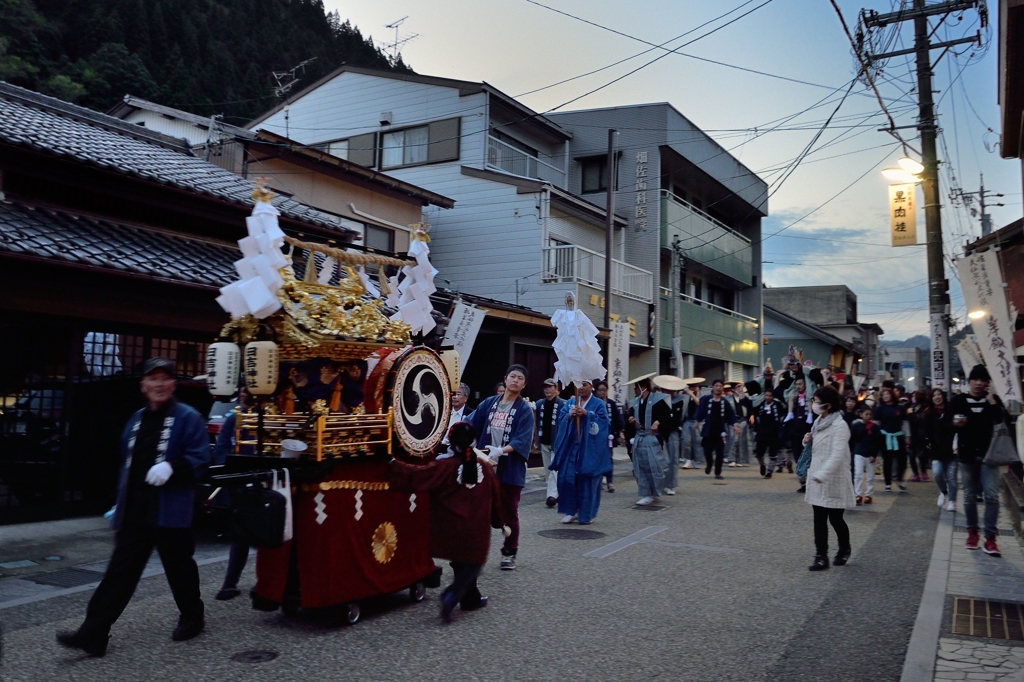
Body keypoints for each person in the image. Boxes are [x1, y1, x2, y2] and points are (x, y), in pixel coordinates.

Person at [57, 357, 210, 657]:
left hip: (170, 510)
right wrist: (121, 501)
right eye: (152, 379)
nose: (159, 384)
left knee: (180, 569)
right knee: (119, 573)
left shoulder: (188, 417)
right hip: (137, 511)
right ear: (143, 385)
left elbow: (200, 458)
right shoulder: (136, 419)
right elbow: (127, 465)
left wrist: (172, 466)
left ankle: (193, 617)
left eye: (165, 378)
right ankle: (94, 633)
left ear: (174, 384)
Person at [388, 422, 504, 622]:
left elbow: (416, 476)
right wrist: (500, 522)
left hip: (450, 528)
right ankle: (452, 594)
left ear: (451, 442)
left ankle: (470, 599)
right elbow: (497, 498)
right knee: (472, 564)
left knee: (461, 561)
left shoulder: (444, 466)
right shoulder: (484, 468)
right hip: (476, 530)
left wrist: (391, 463)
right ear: (474, 442)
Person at [465, 365, 535, 571]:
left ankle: (509, 552)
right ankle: (475, 554)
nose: (515, 380)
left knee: (508, 512)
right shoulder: (489, 403)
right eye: (512, 376)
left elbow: (523, 439)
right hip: (485, 467)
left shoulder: (524, 410)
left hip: (509, 468)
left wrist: (501, 450)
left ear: (524, 384)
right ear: (505, 379)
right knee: (479, 512)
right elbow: (470, 423)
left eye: (520, 378)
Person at [949, 365, 1006, 556]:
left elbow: (1002, 422)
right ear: (969, 381)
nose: (980, 383)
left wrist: (992, 403)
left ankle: (990, 538)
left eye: (984, 380)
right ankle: (972, 532)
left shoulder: (994, 401)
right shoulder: (958, 401)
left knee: (991, 495)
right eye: (976, 379)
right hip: (966, 455)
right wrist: (953, 424)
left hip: (989, 456)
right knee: (969, 495)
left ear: (988, 383)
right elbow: (944, 424)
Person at [804, 386, 856, 571]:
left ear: (828, 405)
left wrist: (823, 474)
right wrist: (807, 439)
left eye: (817, 402)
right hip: (818, 476)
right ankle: (821, 556)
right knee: (819, 518)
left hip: (834, 477)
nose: (814, 405)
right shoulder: (819, 422)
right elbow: (816, 448)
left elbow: (837, 454)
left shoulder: (840, 426)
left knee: (835, 518)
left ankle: (844, 548)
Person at [213, 386, 255, 601]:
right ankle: (230, 584)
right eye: (242, 391)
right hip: (239, 483)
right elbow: (221, 449)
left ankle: (266, 581)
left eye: (247, 391)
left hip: (261, 481)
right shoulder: (233, 419)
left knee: (268, 532)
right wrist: (228, 471)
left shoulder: (267, 416)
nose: (243, 395)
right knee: (240, 535)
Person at [550, 379, 610, 524]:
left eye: (584, 385)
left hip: (590, 448)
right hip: (571, 447)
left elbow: (603, 423)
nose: (581, 388)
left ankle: (586, 514)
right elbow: (561, 418)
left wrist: (587, 414)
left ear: (591, 387)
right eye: (578, 385)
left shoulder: (598, 404)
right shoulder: (570, 403)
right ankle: (571, 511)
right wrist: (569, 416)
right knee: (566, 478)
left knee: (587, 480)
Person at [629, 378, 672, 504]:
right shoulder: (635, 402)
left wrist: (658, 422)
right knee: (640, 466)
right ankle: (645, 493)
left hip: (652, 437)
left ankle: (656, 491)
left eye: (636, 387)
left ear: (643, 387)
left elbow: (668, 415)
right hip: (639, 438)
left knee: (655, 466)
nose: (634, 390)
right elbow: (629, 416)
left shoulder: (657, 400)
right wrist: (630, 419)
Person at [695, 379, 739, 480]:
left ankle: (717, 472)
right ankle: (709, 463)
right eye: (716, 386)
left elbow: (731, 414)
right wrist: (697, 421)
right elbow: (701, 411)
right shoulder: (707, 399)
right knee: (707, 451)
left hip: (720, 431)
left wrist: (735, 425)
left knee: (720, 452)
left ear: (722, 388)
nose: (718, 388)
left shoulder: (724, 402)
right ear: (713, 387)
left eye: (720, 386)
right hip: (708, 430)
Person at [534, 379, 566, 507]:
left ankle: (551, 496)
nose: (547, 390)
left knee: (554, 470)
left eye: (550, 387)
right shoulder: (539, 404)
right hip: (544, 441)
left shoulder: (563, 404)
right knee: (548, 471)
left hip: (557, 443)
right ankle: (557, 493)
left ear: (556, 389)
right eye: (545, 387)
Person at [926, 388, 957, 512]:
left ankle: (952, 501)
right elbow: (926, 430)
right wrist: (927, 441)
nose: (937, 397)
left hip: (952, 449)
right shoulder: (929, 413)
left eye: (939, 394)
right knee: (937, 473)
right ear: (931, 398)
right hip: (936, 450)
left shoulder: (951, 410)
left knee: (951, 477)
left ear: (943, 396)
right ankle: (943, 491)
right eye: (934, 395)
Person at [873, 386, 909, 492]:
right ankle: (888, 483)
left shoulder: (900, 407)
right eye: (884, 395)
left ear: (892, 395)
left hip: (898, 436)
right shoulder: (879, 408)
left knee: (902, 460)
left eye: (888, 394)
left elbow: (905, 422)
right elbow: (876, 423)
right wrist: (876, 436)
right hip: (885, 436)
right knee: (887, 460)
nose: (886, 397)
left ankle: (900, 479)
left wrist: (908, 436)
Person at [594, 380, 623, 493]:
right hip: (596, 437)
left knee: (608, 458)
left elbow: (618, 418)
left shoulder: (611, 404)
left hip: (609, 436)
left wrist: (620, 431)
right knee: (597, 459)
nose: (602, 392)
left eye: (604, 390)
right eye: (600, 390)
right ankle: (598, 480)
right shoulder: (594, 403)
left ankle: (610, 481)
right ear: (596, 391)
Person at [850, 404, 879, 505]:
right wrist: (850, 451)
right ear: (861, 414)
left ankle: (869, 495)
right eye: (866, 414)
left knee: (870, 476)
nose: (868, 416)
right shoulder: (856, 426)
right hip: (859, 453)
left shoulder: (875, 427)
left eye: (870, 414)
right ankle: (858, 494)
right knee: (858, 475)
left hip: (870, 454)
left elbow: (877, 441)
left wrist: (874, 454)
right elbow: (852, 440)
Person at [753, 387, 784, 478]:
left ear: (773, 397)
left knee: (773, 454)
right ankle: (762, 464)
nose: (768, 397)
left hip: (774, 434)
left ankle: (769, 471)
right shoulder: (761, 405)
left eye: (770, 396)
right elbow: (756, 416)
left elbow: (782, 417)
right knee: (758, 454)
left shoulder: (778, 405)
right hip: (762, 433)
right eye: (766, 395)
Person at [907, 390, 931, 482]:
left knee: (922, 454)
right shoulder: (911, 408)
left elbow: (921, 420)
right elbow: (909, 421)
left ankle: (923, 471)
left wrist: (912, 414)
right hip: (912, 434)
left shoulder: (926, 409)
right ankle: (916, 473)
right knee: (911, 455)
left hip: (922, 435)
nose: (913, 398)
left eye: (915, 396)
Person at [729, 383, 754, 467]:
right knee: (734, 440)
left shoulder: (745, 398)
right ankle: (732, 459)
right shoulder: (728, 399)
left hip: (743, 420)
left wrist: (751, 416)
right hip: (733, 421)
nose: (739, 389)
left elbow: (750, 407)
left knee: (742, 441)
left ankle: (740, 460)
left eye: (740, 388)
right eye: (737, 388)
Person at [674, 385, 699, 469]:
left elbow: (699, 403)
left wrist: (692, 394)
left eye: (693, 387)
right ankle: (687, 460)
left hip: (697, 422)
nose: (692, 389)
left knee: (696, 441)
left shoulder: (701, 395)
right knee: (686, 441)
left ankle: (696, 460)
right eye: (690, 387)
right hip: (687, 421)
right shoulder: (685, 397)